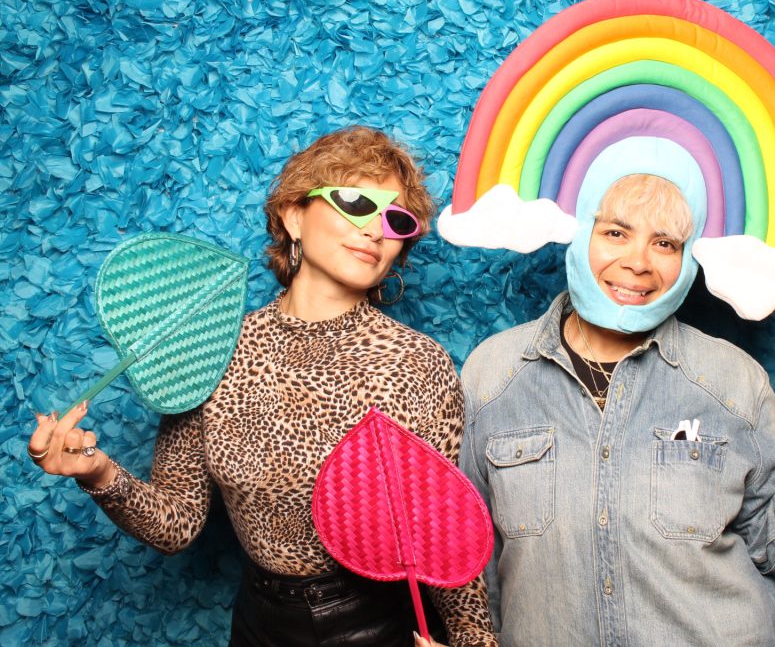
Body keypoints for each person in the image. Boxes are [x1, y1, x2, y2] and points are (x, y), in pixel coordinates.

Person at [27, 126, 497, 647]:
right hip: (258, 624)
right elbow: (177, 522)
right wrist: (97, 473)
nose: (374, 229)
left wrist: (474, 643)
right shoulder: (215, 351)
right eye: (355, 201)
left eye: (396, 219)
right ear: (294, 216)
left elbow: (445, 539)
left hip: (378, 626)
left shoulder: (416, 364)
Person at [458, 173, 775, 646]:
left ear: (686, 260)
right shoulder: (492, 377)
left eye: (665, 243)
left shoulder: (731, 380)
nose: (638, 263)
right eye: (615, 233)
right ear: (580, 234)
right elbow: (474, 564)